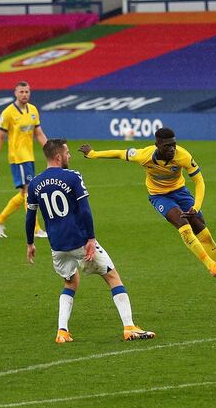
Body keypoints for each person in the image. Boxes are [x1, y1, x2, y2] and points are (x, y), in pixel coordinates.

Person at [78, 128, 216, 291]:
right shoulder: (144, 155)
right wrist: (93, 154)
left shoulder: (183, 155)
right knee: (183, 225)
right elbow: (120, 153)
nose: (172, 149)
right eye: (168, 146)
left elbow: (199, 181)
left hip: (180, 193)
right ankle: (211, 266)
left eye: (174, 144)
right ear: (157, 145)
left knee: (205, 235)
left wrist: (196, 206)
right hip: (159, 196)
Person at [26, 139, 155, 343]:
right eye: (67, 152)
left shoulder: (35, 183)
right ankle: (129, 327)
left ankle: (62, 331)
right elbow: (85, 209)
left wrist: (30, 243)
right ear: (58, 156)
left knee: (70, 282)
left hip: (57, 245)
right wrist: (91, 238)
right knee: (113, 277)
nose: (69, 156)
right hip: (78, 239)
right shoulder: (72, 177)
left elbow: (30, 216)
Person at [0, 81, 48, 239]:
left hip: (29, 157)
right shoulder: (8, 113)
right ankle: (36, 229)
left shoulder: (33, 111)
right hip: (17, 158)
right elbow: (0, 138)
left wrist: (50, 150)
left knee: (24, 192)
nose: (24, 94)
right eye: (21, 92)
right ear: (15, 93)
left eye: (27, 92)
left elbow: (39, 134)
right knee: (29, 192)